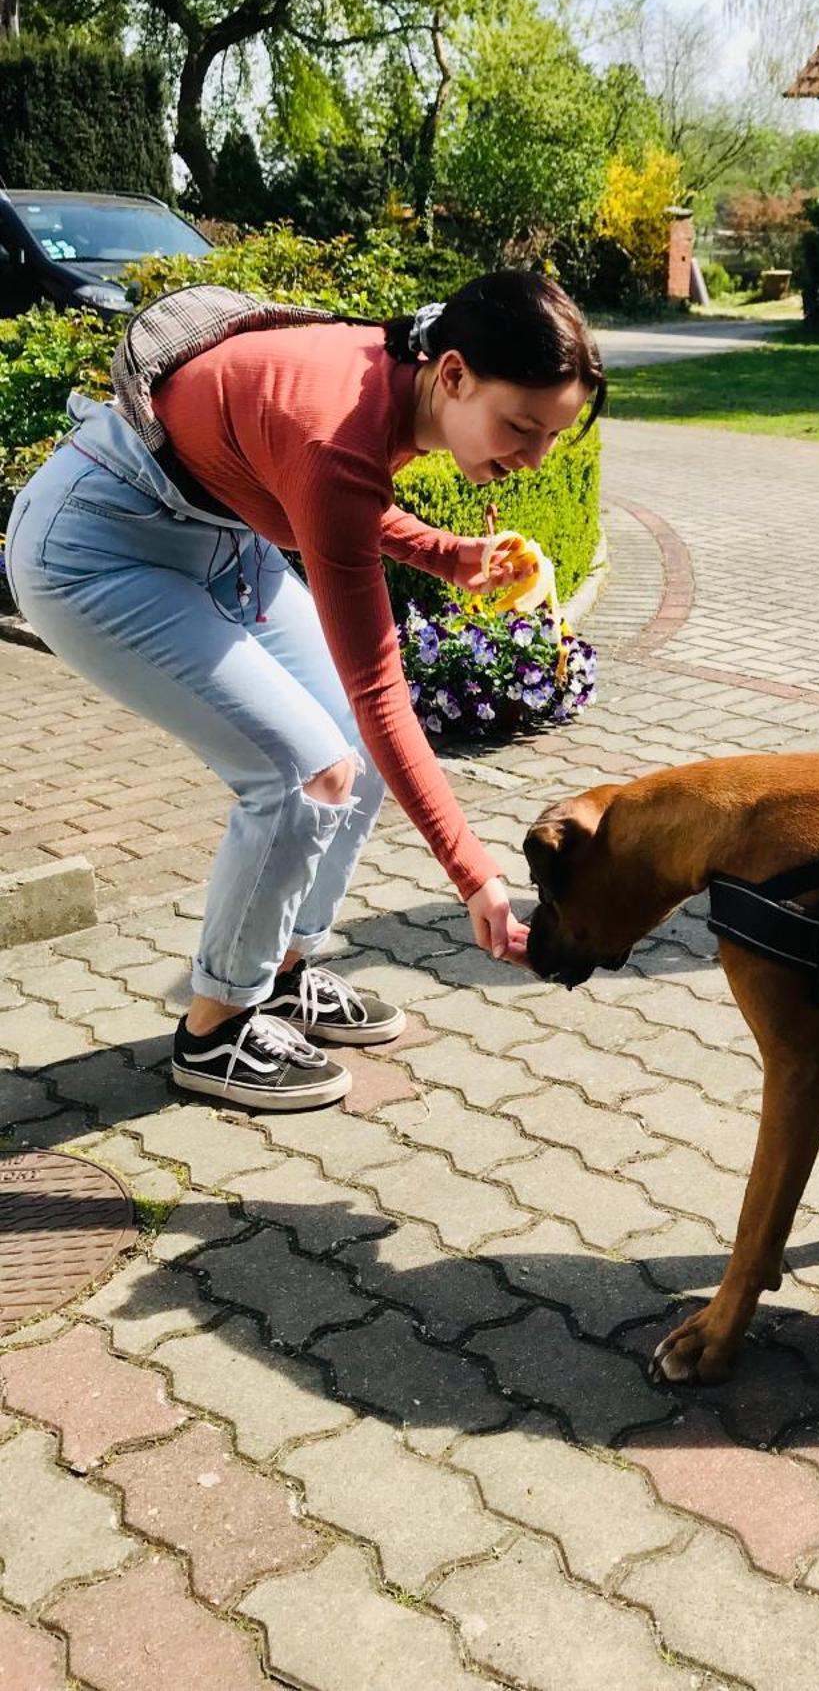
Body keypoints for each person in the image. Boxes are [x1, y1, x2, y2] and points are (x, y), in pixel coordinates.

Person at [5, 271, 604, 1107]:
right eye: (521, 427)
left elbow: (327, 498)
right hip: (99, 547)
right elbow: (378, 679)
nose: (532, 457)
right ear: (456, 374)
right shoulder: (340, 429)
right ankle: (213, 1031)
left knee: (349, 754)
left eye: (552, 438)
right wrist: (476, 874)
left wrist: (447, 555)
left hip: (217, 537)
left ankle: (282, 973)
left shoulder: (398, 384)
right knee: (302, 773)